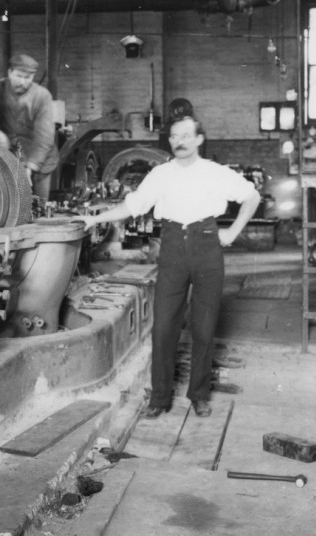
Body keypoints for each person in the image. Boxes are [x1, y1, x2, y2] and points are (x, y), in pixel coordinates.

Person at [83, 116, 260, 419]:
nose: (180, 141)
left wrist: (232, 232)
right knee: (164, 327)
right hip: (173, 245)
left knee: (204, 329)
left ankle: (199, 395)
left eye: (187, 136)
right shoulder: (160, 174)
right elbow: (133, 206)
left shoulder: (216, 173)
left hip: (207, 245)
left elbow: (251, 196)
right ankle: (160, 397)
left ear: (199, 139)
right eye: (175, 136)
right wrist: (94, 219)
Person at [0, 54, 59, 200]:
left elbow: (44, 137)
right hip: (8, 158)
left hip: (41, 161)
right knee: (10, 206)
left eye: (28, 77)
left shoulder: (42, 96)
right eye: (19, 76)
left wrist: (30, 167)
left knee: (38, 206)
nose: (23, 82)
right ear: (10, 72)